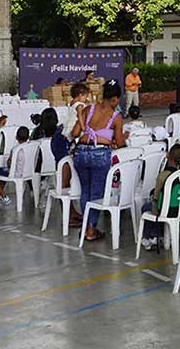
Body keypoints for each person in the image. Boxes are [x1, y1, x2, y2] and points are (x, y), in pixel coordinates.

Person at [71, 80, 125, 242]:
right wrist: (116, 140)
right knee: (96, 193)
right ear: (115, 99)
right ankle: (90, 229)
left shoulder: (88, 109)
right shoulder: (116, 117)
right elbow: (120, 143)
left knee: (85, 191)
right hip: (99, 154)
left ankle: (86, 227)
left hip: (81, 152)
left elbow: (75, 132)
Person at [139, 143, 180, 251]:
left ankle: (150, 237)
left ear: (168, 156)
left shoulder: (163, 175)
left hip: (167, 210)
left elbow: (156, 199)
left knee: (147, 207)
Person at [0, 126, 30, 206]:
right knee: (2, 174)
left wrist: (8, 163)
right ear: (28, 137)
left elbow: (10, 163)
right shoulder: (32, 147)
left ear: (16, 137)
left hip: (15, 174)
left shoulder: (15, 149)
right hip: (28, 172)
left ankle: (4, 196)